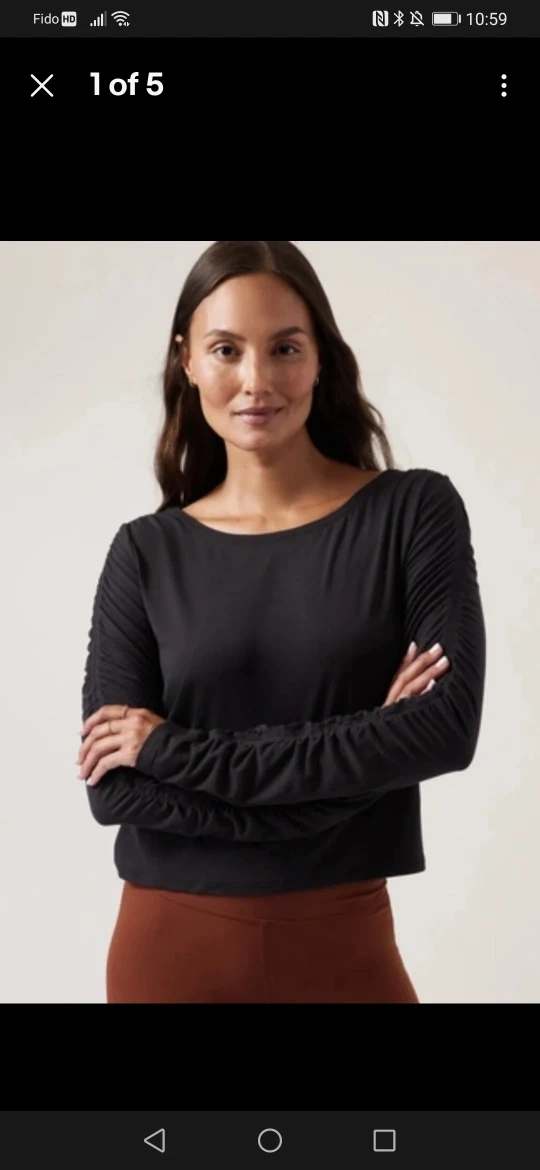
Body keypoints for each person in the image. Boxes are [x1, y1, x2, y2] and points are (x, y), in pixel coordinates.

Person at [77, 240, 486, 1003]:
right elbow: (116, 792)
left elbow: (443, 731)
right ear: (187, 359)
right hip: (169, 952)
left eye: (285, 348)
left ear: (321, 357)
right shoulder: (144, 553)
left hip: (345, 944)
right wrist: (359, 769)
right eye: (226, 349)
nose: (256, 380)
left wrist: (173, 750)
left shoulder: (411, 513)